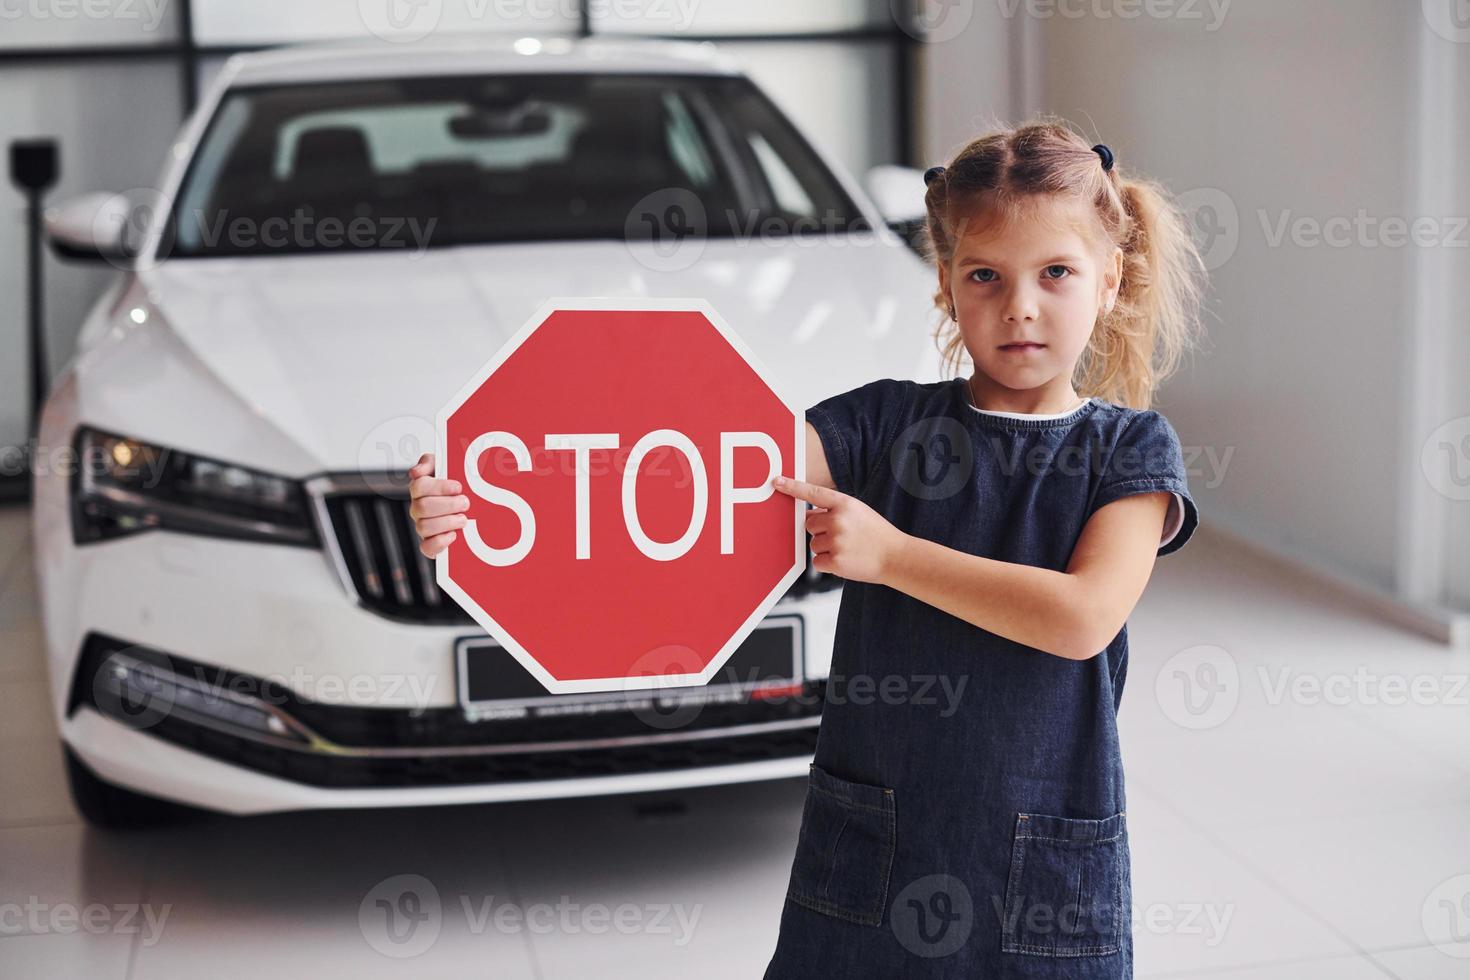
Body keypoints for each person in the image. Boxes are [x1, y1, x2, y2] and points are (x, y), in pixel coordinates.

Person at [406, 115, 1207, 978]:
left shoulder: (1132, 450)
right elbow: (685, 480)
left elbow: (1082, 618)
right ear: (945, 283)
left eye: (1056, 273)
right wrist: (488, 505)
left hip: (1040, 858)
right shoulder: (877, 423)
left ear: (1110, 277)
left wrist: (893, 556)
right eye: (985, 274)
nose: (1019, 305)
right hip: (874, 846)